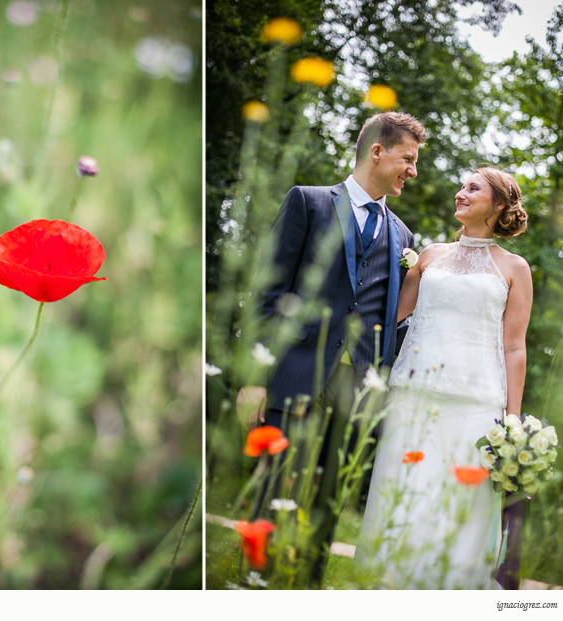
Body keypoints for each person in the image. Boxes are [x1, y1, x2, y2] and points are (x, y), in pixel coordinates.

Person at [239, 112, 427, 585]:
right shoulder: (309, 202)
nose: (413, 170)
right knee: (274, 487)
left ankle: (308, 590)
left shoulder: (403, 235)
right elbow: (269, 290)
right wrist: (252, 378)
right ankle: (251, 587)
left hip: (357, 388)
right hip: (296, 370)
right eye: (408, 158)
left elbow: (395, 320)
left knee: (328, 498)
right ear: (377, 151)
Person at [355, 167, 532, 589]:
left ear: (501, 205)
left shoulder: (514, 267)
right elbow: (393, 314)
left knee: (458, 506)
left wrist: (512, 420)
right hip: (413, 395)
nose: (460, 193)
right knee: (401, 494)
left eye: (473, 188)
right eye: (461, 186)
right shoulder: (431, 255)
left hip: (476, 404)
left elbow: (514, 346)